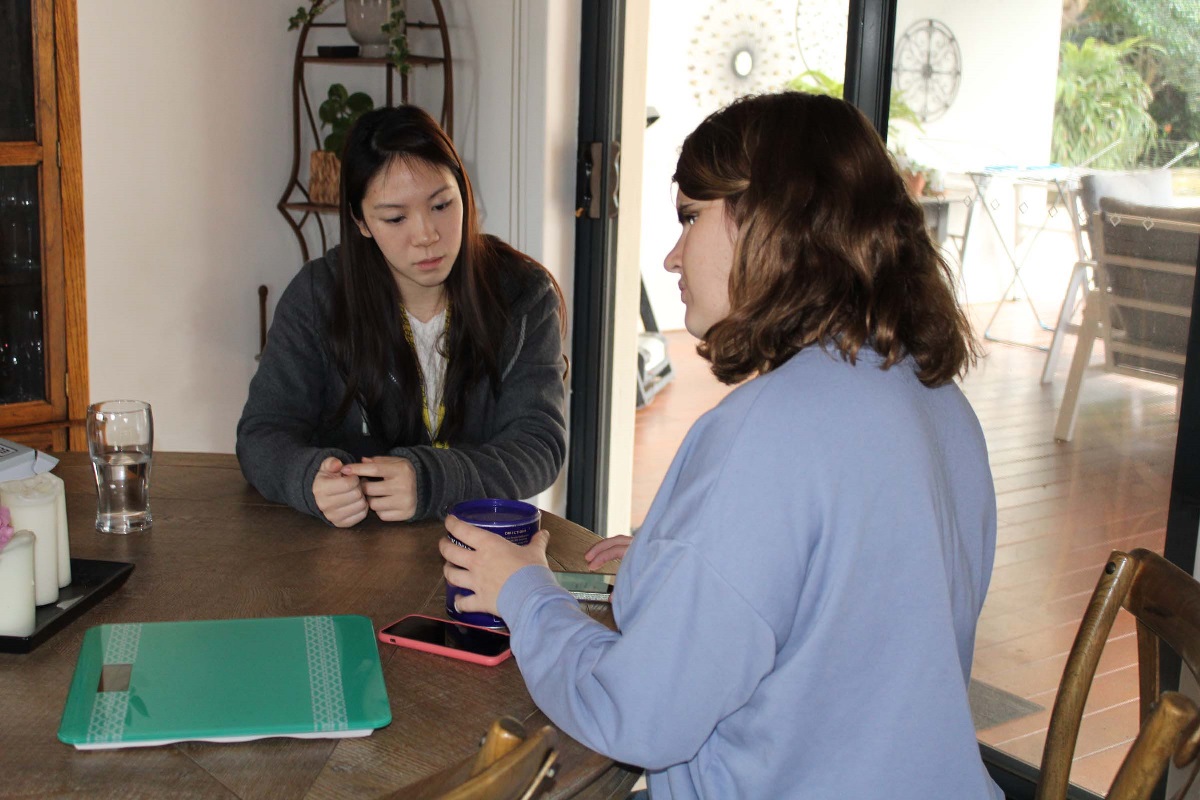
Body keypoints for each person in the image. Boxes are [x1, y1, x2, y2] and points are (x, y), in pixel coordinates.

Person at [440, 92, 1003, 798]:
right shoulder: (931, 396)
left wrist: (522, 591)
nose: (673, 257)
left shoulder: (769, 434)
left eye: (690, 218)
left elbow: (635, 714)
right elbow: (847, 601)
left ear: (772, 220)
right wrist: (676, 561)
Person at [237, 105, 567, 526]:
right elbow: (262, 432)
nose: (426, 235)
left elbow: (538, 446)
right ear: (360, 222)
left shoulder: (521, 293)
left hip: (483, 548)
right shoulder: (319, 296)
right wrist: (308, 477)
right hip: (346, 562)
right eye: (395, 217)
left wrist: (430, 481)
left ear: (463, 194)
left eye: (442, 205)